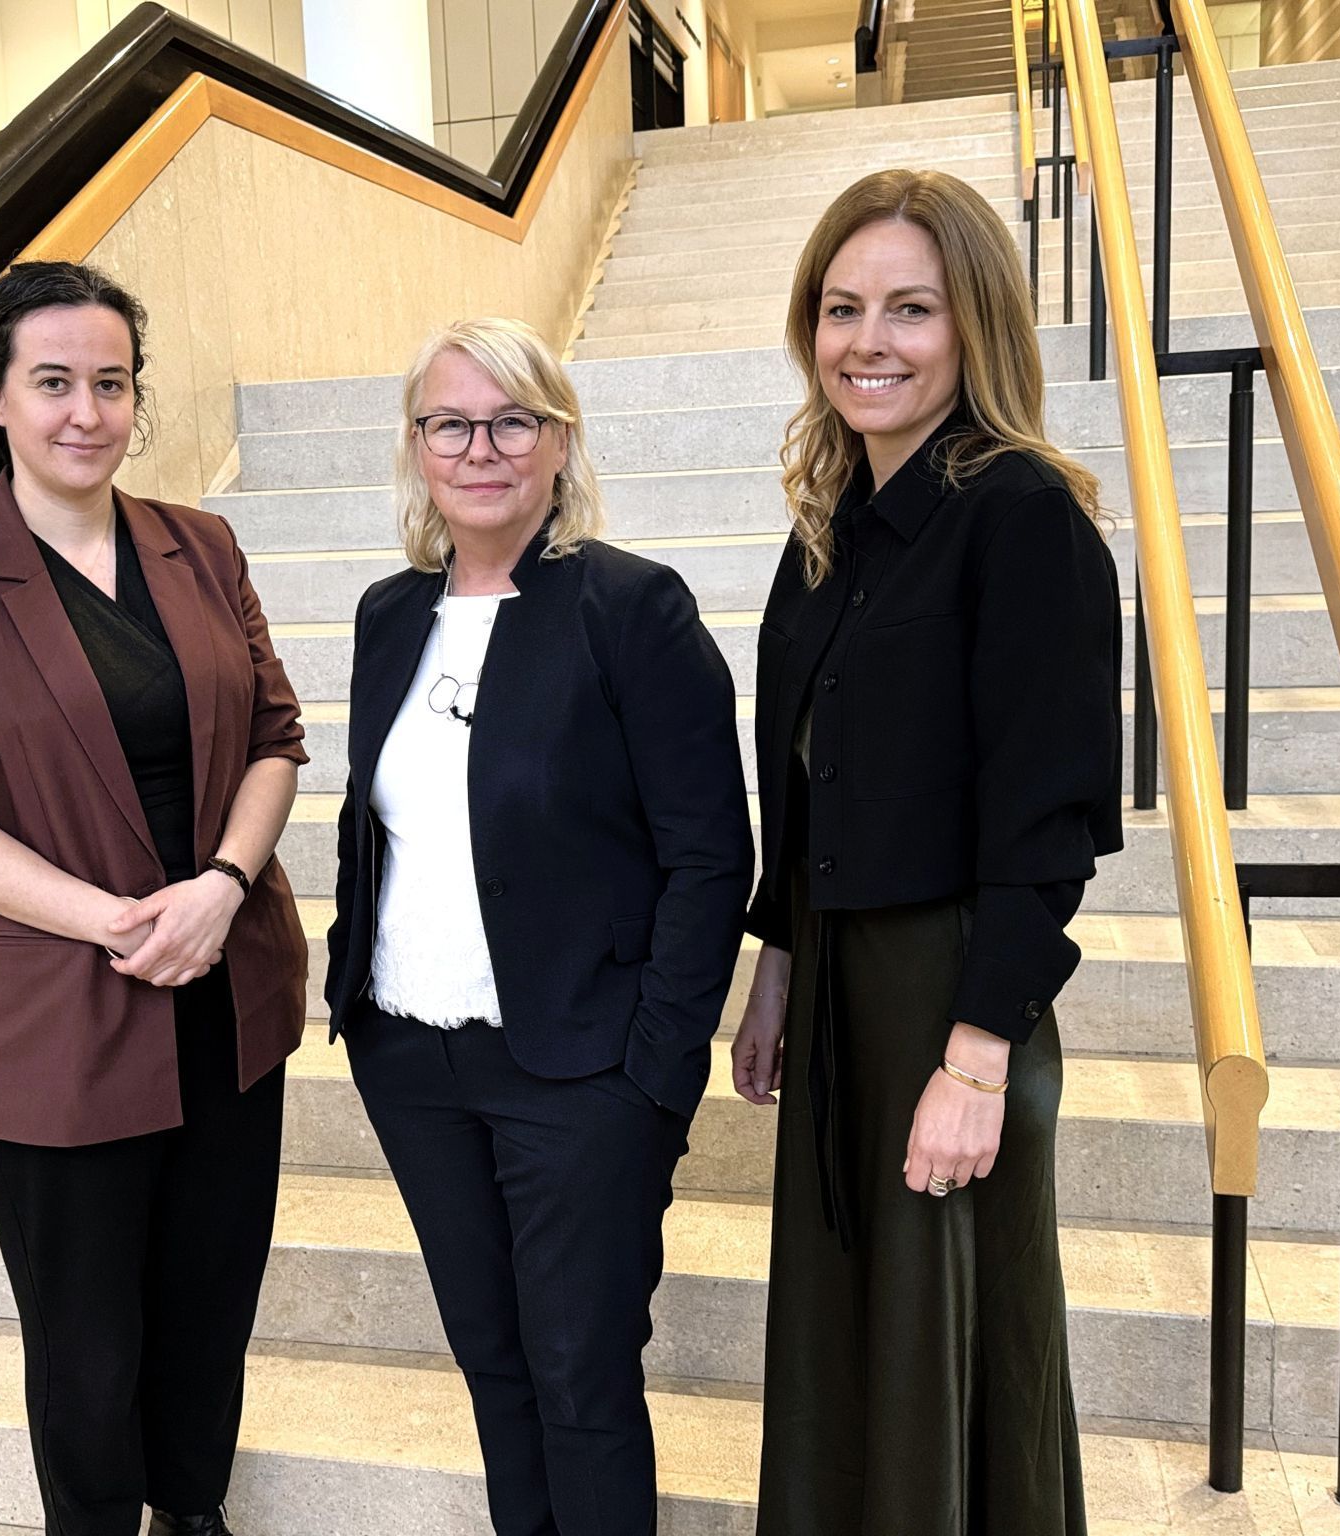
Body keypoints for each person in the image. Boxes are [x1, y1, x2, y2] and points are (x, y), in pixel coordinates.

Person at [0, 261, 308, 1536]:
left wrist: (219, 887)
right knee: (86, 1341)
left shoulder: (198, 543)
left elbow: (276, 736)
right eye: (51, 382)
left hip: (227, 992)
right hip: (63, 1012)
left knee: (210, 1300)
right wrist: (120, 920)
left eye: (109, 383)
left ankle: (197, 1510)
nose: (85, 412)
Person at [731, 170, 1123, 1535]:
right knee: (851, 1338)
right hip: (840, 979)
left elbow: (1049, 826)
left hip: (949, 991)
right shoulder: (830, 530)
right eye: (842, 308)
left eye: (911, 307)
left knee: (952, 1349)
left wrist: (976, 1056)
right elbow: (808, 786)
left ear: (977, 327)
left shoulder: (1021, 516)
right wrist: (777, 960)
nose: (868, 341)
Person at [322, 316, 754, 1535]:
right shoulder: (385, 616)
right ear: (416, 447)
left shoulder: (629, 609)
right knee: (493, 1364)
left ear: (559, 442)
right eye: (449, 422)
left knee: (579, 1378)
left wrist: (653, 1075)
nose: (480, 447)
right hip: (413, 1055)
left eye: (512, 419)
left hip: (578, 1069)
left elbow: (709, 855)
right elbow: (385, 824)